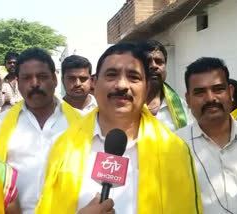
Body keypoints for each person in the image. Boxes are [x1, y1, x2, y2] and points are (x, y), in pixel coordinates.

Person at [35, 43, 202, 214]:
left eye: (133, 77)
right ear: (94, 83)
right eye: (111, 75)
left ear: (146, 88)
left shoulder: (175, 151)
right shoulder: (62, 147)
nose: (122, 85)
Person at [0, 47, 82, 213]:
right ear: (18, 82)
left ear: (54, 79)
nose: (35, 84)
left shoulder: (80, 122)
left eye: (42, 76)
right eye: (26, 78)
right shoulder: (3, 122)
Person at [176, 57, 237, 213]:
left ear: (231, 92)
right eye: (200, 92)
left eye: (218, 89)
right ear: (188, 99)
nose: (211, 98)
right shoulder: (173, 147)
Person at [137, 40, 191, 131]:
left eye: (159, 61)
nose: (154, 66)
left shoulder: (182, 108)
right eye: (147, 61)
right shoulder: (126, 105)